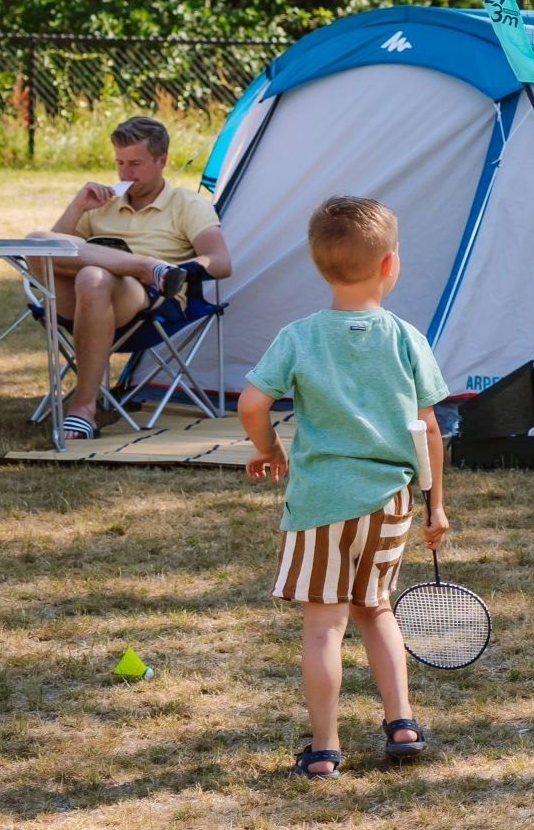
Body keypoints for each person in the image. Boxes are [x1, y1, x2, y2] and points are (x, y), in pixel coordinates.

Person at [238, 196, 450, 778]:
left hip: (319, 504)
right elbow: (428, 428)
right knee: (377, 609)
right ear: (391, 265)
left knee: (324, 625)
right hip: (391, 502)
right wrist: (437, 504)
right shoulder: (408, 338)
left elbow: (253, 402)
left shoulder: (299, 336)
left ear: (318, 263)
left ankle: (325, 749)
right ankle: (402, 722)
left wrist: (268, 448)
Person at [45, 116, 233, 439]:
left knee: (93, 276)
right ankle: (142, 264)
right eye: (119, 162)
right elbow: (50, 254)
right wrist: (78, 206)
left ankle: (83, 408)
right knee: (39, 242)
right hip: (79, 301)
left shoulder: (186, 205)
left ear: (162, 161)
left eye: (135, 163)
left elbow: (220, 262)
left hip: (147, 300)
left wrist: (181, 269)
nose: (124, 173)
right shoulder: (102, 203)